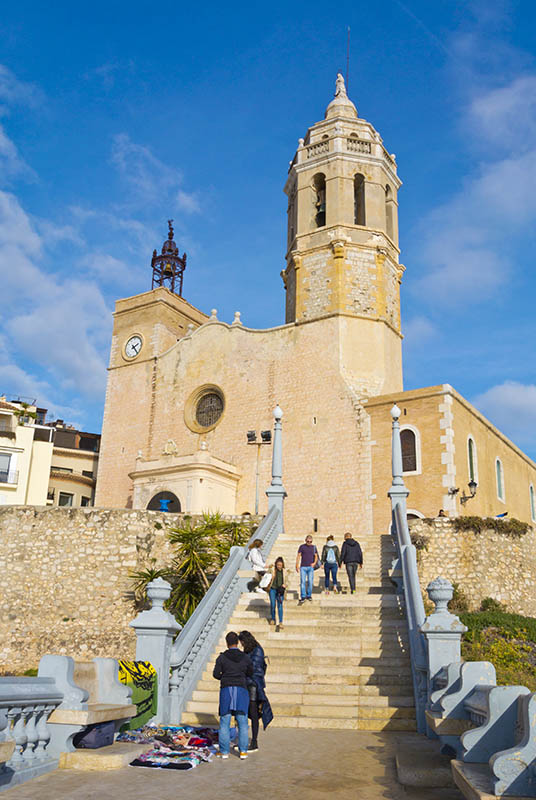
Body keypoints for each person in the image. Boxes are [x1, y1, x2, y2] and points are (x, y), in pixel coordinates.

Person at [212, 631, 253, 759]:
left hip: (226, 689)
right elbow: (250, 672)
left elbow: (215, 674)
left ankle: (224, 752)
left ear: (227, 643)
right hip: (241, 689)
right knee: (242, 722)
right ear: (238, 642)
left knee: (225, 721)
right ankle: (243, 751)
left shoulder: (222, 657)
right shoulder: (245, 657)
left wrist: (224, 676)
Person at [237, 631, 273, 753]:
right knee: (244, 713)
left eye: (242, 642)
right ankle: (244, 741)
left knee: (253, 714)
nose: (241, 645)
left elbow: (254, 670)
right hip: (247, 684)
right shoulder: (249, 650)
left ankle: (254, 742)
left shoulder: (257, 650)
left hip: (253, 685)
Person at [296, 534, 319, 605]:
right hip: (303, 567)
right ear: (305, 540)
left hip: (310, 567)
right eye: (308, 541)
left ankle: (309, 595)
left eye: (310, 541)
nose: (309, 542)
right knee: (302, 582)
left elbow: (316, 556)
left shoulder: (313, 547)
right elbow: (299, 556)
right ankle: (303, 596)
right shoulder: (302, 547)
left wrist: (314, 563)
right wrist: (297, 565)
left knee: (310, 581)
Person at [267, 557, 286, 629]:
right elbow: (267, 575)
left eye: (280, 565)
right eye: (278, 565)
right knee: (272, 604)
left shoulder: (285, 571)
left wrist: (285, 585)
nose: (279, 566)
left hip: (280, 590)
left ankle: (280, 621)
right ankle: (273, 618)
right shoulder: (273, 570)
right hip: (273, 589)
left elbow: (287, 581)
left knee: (280, 605)